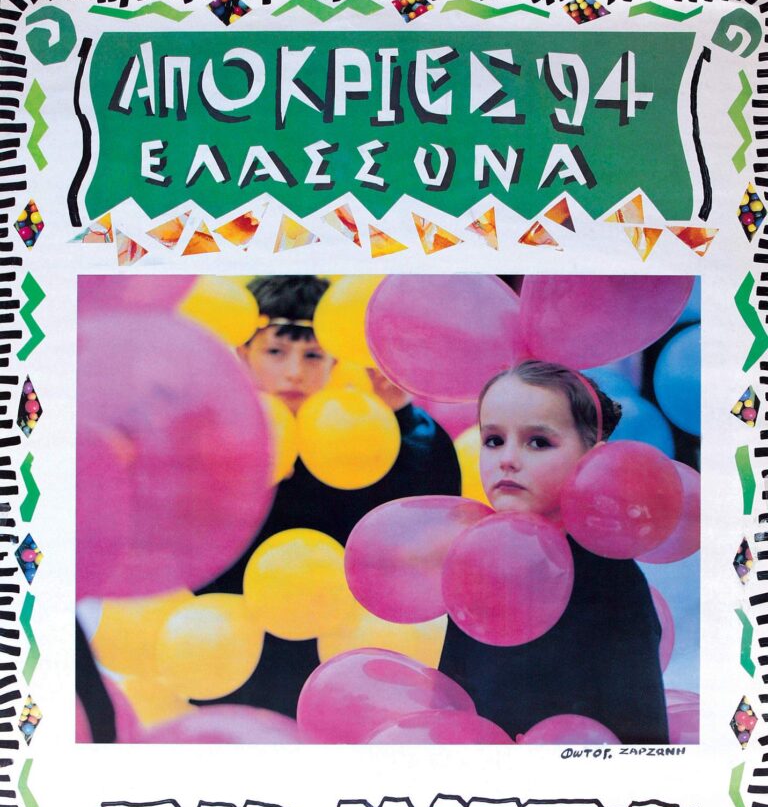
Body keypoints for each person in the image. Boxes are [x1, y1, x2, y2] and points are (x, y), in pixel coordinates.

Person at [197, 275, 461, 716]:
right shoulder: (214, 436)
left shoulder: (362, 433)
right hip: (235, 650)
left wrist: (398, 418)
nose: (294, 371)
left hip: (338, 651)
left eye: (313, 355)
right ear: (243, 354)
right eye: (276, 352)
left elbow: (425, 508)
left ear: (337, 361)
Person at [438, 360, 669, 745]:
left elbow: (643, 739)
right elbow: (449, 709)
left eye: (538, 442)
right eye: (493, 440)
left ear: (592, 459)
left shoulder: (612, 581)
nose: (507, 458)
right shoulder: (474, 563)